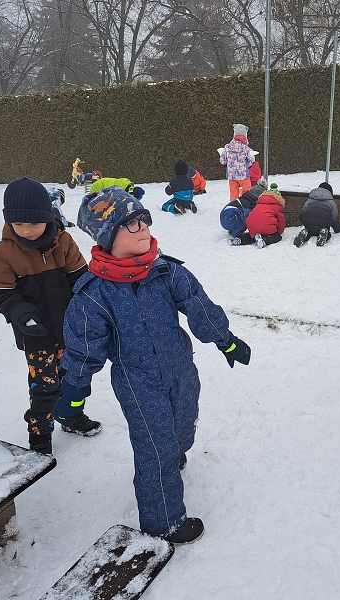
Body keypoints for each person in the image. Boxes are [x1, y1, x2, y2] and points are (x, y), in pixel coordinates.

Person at [54, 186, 251, 544]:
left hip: (181, 368)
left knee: (184, 422)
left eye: (144, 219)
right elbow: (84, 348)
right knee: (154, 448)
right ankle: (165, 522)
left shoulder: (165, 272)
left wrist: (228, 341)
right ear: (107, 236)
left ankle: (175, 454)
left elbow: (199, 306)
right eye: (131, 224)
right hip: (138, 381)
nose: (144, 227)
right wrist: (74, 393)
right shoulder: (93, 295)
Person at [0, 177, 99, 455]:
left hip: (71, 330)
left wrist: (93, 306)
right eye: (18, 223)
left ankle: (70, 416)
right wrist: (20, 312)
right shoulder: (4, 252)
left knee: (74, 380)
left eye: (34, 223)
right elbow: (1, 293)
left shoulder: (64, 242)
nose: (26, 230)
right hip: (37, 336)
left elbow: (81, 280)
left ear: (47, 217)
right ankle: (39, 433)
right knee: (44, 389)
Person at [229, 183, 285, 249]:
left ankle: (240, 239)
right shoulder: (277, 206)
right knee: (277, 237)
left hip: (251, 225)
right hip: (266, 226)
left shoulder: (259, 202)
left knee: (251, 235)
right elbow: (281, 220)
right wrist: (279, 231)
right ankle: (264, 241)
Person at [294, 182, 340, 247]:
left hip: (309, 223)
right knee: (328, 233)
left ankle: (305, 234)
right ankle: (324, 234)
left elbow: (302, 213)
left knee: (310, 232)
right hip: (323, 224)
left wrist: (305, 222)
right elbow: (334, 219)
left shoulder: (309, 200)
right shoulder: (331, 203)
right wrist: (338, 229)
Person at [219, 124, 254, 201]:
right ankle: (245, 205)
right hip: (244, 175)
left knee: (233, 195)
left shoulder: (227, 147)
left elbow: (222, 161)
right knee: (247, 193)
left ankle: (233, 206)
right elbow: (250, 162)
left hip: (232, 176)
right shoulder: (246, 148)